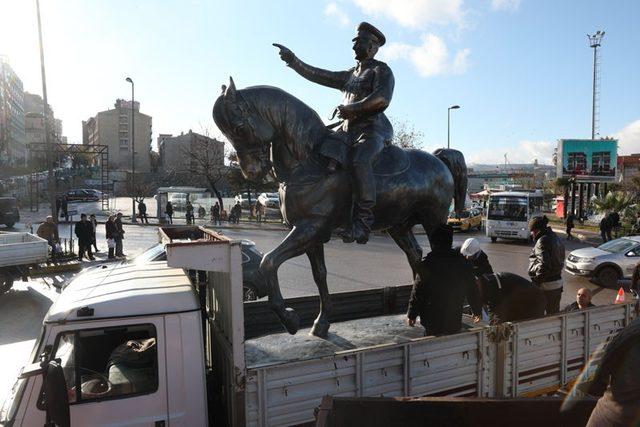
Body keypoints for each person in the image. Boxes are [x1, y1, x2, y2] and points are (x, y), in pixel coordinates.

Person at [275, 21, 394, 244]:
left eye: (359, 42)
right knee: (319, 153)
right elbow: (319, 75)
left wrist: (353, 108)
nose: (354, 46)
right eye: (354, 41)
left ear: (372, 46)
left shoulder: (381, 70)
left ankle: (363, 223)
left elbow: (382, 99)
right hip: (347, 131)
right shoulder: (350, 75)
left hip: (372, 130)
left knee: (360, 160)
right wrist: (294, 61)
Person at [406, 224, 476, 336]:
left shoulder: (427, 265)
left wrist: (411, 315)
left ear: (434, 242)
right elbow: (472, 290)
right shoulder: (463, 264)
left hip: (431, 322)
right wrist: (476, 311)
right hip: (453, 321)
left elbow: (417, 292)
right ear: (450, 241)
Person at [528, 215, 565, 315]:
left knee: (536, 316)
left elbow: (544, 265)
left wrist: (536, 283)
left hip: (546, 286)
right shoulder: (555, 237)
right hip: (557, 284)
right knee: (553, 316)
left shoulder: (542, 241)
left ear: (536, 230)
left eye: (531, 230)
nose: (531, 234)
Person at [478, 272, 546, 324]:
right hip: (516, 300)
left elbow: (498, 311)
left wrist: (492, 326)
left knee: (524, 327)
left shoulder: (492, 286)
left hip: (533, 301)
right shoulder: (484, 283)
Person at [457, 238, 491, 321]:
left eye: (470, 256)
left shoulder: (482, 259)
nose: (467, 257)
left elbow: (489, 276)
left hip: (473, 284)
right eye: (465, 255)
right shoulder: (456, 252)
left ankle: (481, 315)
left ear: (476, 253)